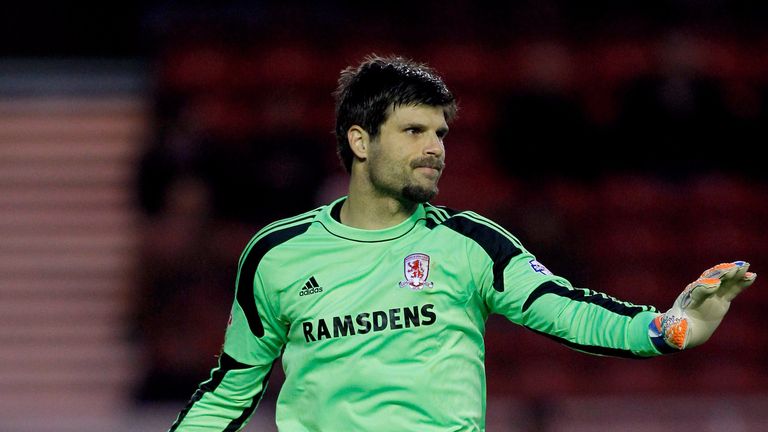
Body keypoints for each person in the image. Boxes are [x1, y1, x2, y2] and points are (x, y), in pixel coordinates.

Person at [168, 55, 757, 431]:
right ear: (360, 140)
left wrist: (670, 329)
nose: (436, 148)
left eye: (441, 133)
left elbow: (569, 310)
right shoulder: (277, 255)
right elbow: (228, 396)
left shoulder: (470, 243)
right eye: (414, 131)